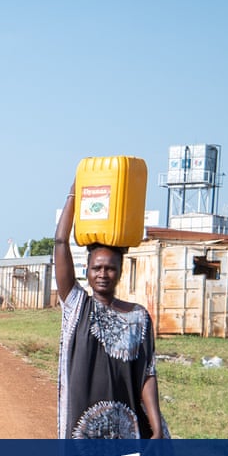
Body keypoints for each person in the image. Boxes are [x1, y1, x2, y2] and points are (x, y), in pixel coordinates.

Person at [53, 182, 167, 441]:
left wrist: (156, 425)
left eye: (110, 268)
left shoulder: (139, 317)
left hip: (127, 427)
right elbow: (60, 241)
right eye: (96, 268)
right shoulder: (77, 307)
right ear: (87, 271)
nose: (103, 274)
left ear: (120, 272)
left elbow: (147, 374)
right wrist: (74, 192)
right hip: (83, 430)